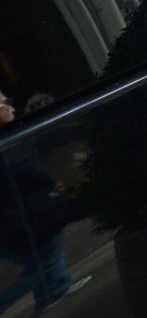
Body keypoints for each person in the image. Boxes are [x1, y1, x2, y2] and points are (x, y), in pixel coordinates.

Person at [0, 89, 87, 314]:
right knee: (43, 260)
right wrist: (50, 183)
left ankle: (54, 291)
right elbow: (21, 170)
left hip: (25, 215)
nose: (11, 107)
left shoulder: (13, 136)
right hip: (23, 218)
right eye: (3, 104)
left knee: (45, 253)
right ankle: (55, 290)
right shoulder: (9, 142)